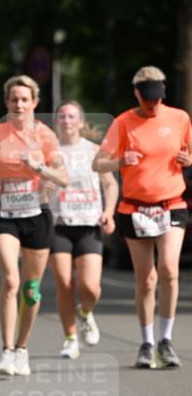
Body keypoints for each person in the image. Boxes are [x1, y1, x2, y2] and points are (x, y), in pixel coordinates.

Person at [93, 66, 192, 368]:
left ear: (163, 92)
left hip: (171, 204)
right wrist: (120, 160)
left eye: (157, 98)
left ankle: (166, 339)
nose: (153, 104)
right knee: (146, 280)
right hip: (135, 208)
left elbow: (189, 150)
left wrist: (189, 159)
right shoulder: (124, 122)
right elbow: (98, 164)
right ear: (137, 93)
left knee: (169, 270)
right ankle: (147, 342)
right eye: (147, 99)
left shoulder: (179, 118)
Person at [0, 75, 68, 377]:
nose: (19, 104)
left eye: (24, 99)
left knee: (31, 290)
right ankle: (5, 350)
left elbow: (63, 177)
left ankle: (21, 348)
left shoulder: (46, 136)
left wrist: (39, 167)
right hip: (7, 214)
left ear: (34, 102)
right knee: (11, 279)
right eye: (13, 99)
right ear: (7, 102)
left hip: (37, 214)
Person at [49, 102, 118, 358]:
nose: (66, 121)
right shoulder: (50, 151)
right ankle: (70, 338)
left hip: (89, 224)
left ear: (80, 122)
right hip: (59, 225)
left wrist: (109, 211)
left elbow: (110, 184)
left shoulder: (94, 151)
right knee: (64, 284)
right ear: (57, 122)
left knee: (90, 287)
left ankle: (86, 312)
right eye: (62, 116)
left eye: (71, 116)